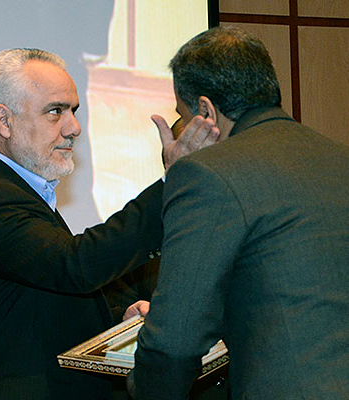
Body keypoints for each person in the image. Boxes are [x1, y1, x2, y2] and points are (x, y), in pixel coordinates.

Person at [0, 48, 219, 399]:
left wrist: (119, 322)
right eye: (55, 111)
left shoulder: (18, 191)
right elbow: (75, 266)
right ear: (3, 121)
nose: (74, 128)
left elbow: (44, 304)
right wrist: (173, 184)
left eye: (73, 110)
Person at [130, 26, 349, 399]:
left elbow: (175, 344)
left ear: (206, 111)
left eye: (184, 116)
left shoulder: (206, 174)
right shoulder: (339, 157)